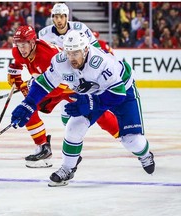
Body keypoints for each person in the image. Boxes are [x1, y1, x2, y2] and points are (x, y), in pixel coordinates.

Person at [10, 30, 155, 187]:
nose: (72, 58)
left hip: (122, 90)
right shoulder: (61, 61)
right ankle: (67, 168)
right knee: (73, 128)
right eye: (69, 53)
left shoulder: (101, 62)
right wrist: (29, 104)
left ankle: (146, 155)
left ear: (85, 50)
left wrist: (89, 102)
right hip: (92, 94)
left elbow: (117, 94)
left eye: (76, 53)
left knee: (132, 141)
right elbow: (45, 82)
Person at [38, 3, 119, 136]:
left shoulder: (80, 28)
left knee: (98, 111)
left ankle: (122, 135)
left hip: (83, 77)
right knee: (66, 114)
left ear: (67, 17)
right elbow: (40, 56)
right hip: (62, 79)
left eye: (62, 16)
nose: (59, 20)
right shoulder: (43, 34)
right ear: (52, 18)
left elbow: (96, 49)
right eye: (56, 17)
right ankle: (73, 140)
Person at [8, 25, 73, 168]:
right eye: (19, 45)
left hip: (70, 85)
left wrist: (30, 87)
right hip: (49, 85)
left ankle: (129, 139)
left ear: (32, 43)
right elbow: (18, 61)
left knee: (100, 115)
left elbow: (59, 86)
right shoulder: (19, 51)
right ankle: (43, 148)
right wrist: (15, 76)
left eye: (24, 45)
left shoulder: (47, 55)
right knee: (27, 109)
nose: (21, 49)